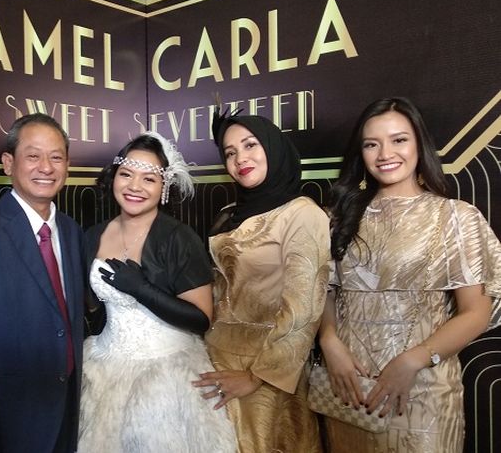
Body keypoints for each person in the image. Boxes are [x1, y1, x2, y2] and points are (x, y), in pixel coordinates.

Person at [318, 97, 501, 452]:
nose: (385, 154)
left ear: (419, 144)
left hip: (423, 390)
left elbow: (476, 313)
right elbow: (324, 291)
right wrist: (329, 342)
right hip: (348, 388)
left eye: (399, 140)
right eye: (372, 144)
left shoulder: (456, 217)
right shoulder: (336, 218)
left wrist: (414, 360)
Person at [78, 131, 236, 453]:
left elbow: (201, 319)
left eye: (148, 179)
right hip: (103, 369)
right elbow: (90, 305)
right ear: (114, 178)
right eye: (126, 174)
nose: (134, 186)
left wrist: (142, 289)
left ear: (163, 187)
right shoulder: (94, 235)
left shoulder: (179, 238)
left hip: (166, 373)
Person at [193, 113, 329, 452]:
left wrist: (256, 377)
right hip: (214, 360)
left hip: (267, 371)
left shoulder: (302, 213)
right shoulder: (228, 213)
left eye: (250, 145)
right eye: (230, 152)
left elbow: (304, 308)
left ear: (273, 147)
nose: (240, 158)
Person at [0, 113, 85, 453]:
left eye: (56, 157)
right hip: (9, 419)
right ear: (8, 163)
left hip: (68, 408)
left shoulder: (72, 231)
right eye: (33, 156)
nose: (46, 167)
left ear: (68, 165)